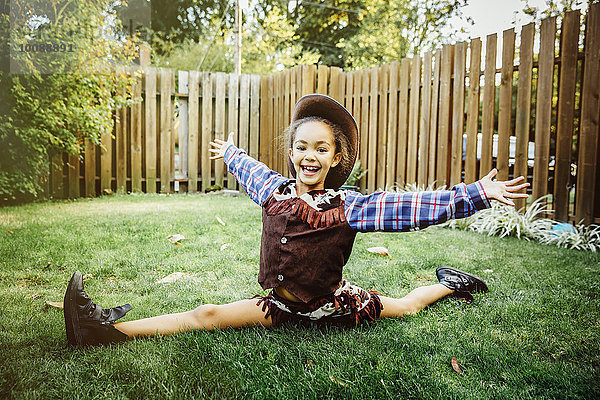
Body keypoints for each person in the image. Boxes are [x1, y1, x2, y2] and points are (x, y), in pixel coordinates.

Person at [64, 94, 529, 346]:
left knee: (405, 305)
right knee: (204, 314)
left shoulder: (350, 207)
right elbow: (249, 169)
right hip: (280, 308)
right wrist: (229, 152)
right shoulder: (273, 190)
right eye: (302, 147)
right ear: (291, 153)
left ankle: (452, 283)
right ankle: (99, 328)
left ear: (335, 157)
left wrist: (477, 193)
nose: (310, 155)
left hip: (331, 307)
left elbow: (416, 208)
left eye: (321, 149)